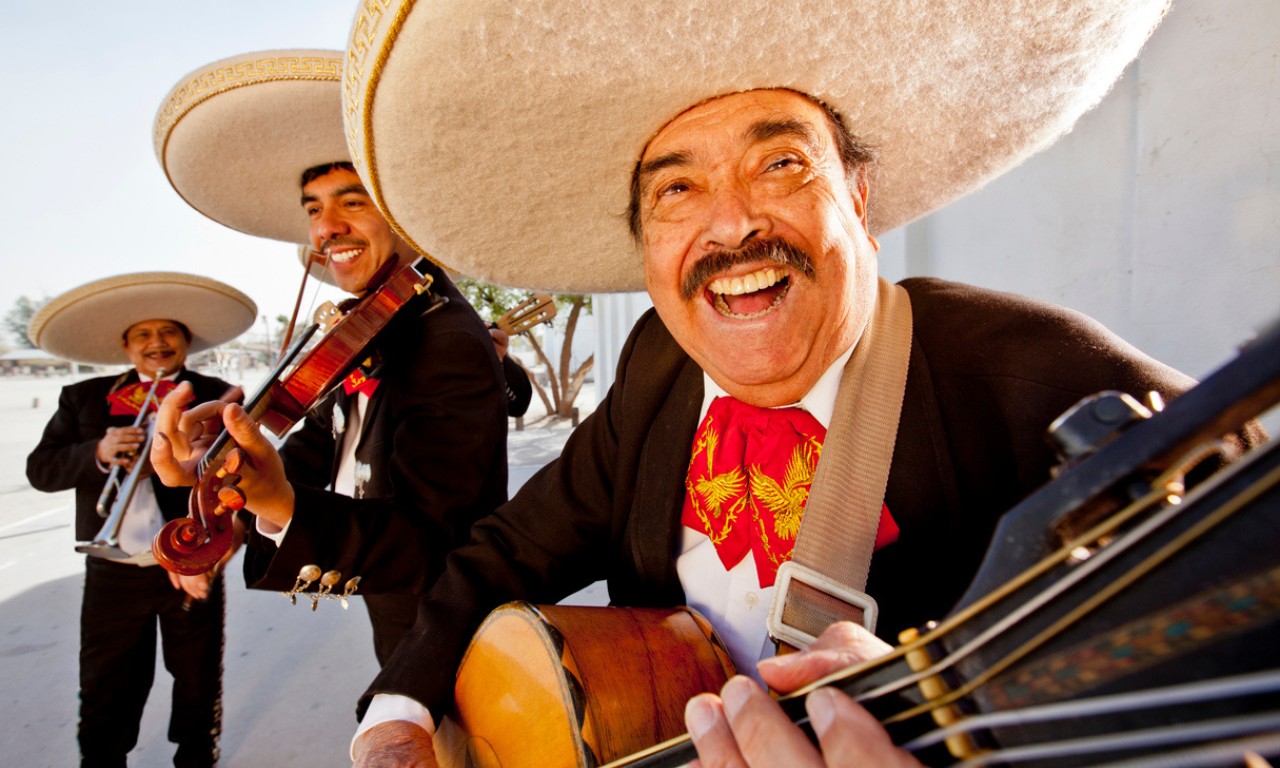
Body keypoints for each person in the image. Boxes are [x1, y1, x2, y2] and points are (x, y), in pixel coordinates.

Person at [157, 5, 1265, 766]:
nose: (731, 226)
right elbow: (498, 554)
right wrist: (396, 713)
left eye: (781, 164)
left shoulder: (1032, 371)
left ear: (858, 198)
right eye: (676, 190)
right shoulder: (657, 364)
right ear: (646, 245)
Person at [151, 50, 513, 666]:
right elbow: (316, 446)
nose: (326, 228)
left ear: (405, 214)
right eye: (314, 209)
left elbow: (436, 538)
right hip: (391, 602)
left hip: (444, 623)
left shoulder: (445, 337)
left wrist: (282, 505)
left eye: (353, 201)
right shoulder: (368, 325)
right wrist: (229, 477)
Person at [26, 272, 256, 768]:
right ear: (125, 345)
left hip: (191, 562)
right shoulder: (82, 397)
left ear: (186, 341)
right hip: (112, 570)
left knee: (197, 681)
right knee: (105, 685)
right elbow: (40, 470)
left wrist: (219, 547)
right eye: (144, 334)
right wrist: (97, 452)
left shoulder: (218, 393)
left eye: (168, 332)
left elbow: (243, 479)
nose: (157, 343)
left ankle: (197, 759)